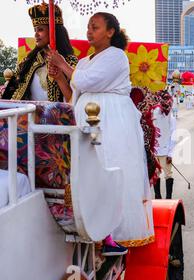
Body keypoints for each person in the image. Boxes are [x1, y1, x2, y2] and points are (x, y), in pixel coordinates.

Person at [47, 12, 153, 255]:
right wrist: (61, 79)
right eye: (88, 27)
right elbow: (75, 95)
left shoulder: (117, 57)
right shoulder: (85, 61)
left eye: (95, 27)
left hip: (112, 122)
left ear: (110, 32)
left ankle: (113, 235)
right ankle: (90, 227)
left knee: (111, 169)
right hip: (87, 122)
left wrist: (63, 64)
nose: (89, 31)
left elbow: (87, 82)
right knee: (89, 173)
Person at [2, 3, 77, 102]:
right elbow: (11, 95)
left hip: (56, 116)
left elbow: (74, 100)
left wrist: (60, 77)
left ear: (54, 31)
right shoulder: (27, 62)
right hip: (28, 116)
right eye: (35, 30)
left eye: (40, 30)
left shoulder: (70, 62)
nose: (36, 34)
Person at [153, 91, 177, 199]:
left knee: (164, 175)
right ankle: (161, 197)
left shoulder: (170, 117)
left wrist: (170, 153)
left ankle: (166, 198)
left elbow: (173, 136)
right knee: (161, 174)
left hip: (163, 151)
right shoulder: (153, 113)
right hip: (156, 151)